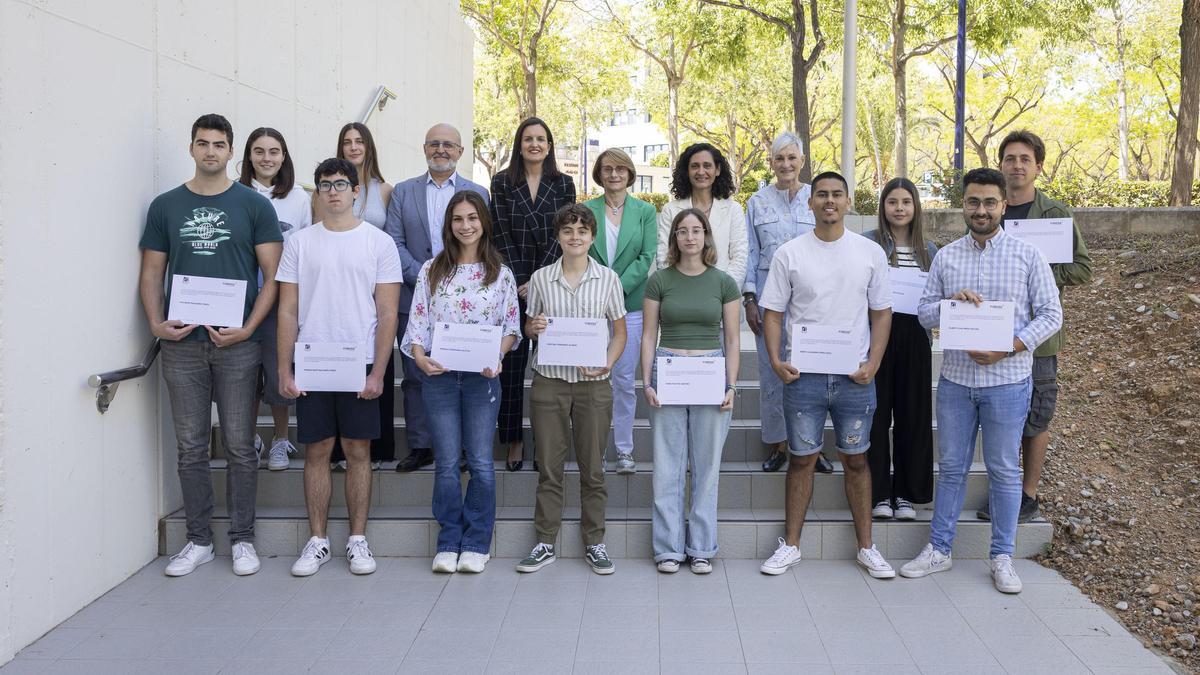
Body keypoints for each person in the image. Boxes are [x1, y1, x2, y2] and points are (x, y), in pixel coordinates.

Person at [901, 168, 1062, 594]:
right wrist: (949, 304)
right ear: (964, 205)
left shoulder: (1028, 255)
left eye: (990, 202)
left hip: (1008, 382)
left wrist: (1009, 346)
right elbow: (922, 312)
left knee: (1005, 470)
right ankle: (939, 548)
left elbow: (1051, 314)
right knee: (952, 467)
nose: (981, 210)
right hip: (956, 381)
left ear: (1003, 206)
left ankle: (1002, 556)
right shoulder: (947, 256)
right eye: (973, 202)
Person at [138, 113, 282, 577]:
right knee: (191, 447)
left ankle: (243, 539)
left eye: (219, 144)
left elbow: (273, 278)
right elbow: (151, 272)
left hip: (237, 344)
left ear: (230, 151)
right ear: (192, 148)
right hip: (182, 344)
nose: (210, 152)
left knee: (240, 445)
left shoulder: (254, 206)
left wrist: (249, 328)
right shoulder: (165, 206)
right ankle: (198, 540)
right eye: (203, 143)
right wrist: (155, 323)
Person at [757, 171, 896, 580]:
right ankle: (791, 545)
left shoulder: (870, 253)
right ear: (810, 202)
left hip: (854, 377)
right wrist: (775, 360)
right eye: (822, 195)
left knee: (856, 459)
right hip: (804, 378)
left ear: (848, 203)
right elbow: (773, 313)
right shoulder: (790, 253)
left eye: (837, 195)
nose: (829, 201)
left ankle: (867, 548)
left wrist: (874, 361)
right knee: (801, 460)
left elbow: (882, 311)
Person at [275, 158, 403, 576]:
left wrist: (379, 372)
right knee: (316, 451)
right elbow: (288, 310)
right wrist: (284, 370)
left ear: (355, 193)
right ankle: (317, 541)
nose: (333, 191)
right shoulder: (300, 243)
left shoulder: (378, 243)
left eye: (341, 183)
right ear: (317, 193)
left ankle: (357, 540)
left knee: (357, 451)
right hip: (312, 361)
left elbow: (387, 314)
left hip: (358, 362)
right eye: (325, 184)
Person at [402, 191, 521, 574]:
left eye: (472, 217)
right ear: (449, 225)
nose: (466, 225)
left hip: (481, 381)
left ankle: (476, 542)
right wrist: (420, 358)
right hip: (439, 379)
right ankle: (449, 540)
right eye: (458, 219)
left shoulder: (499, 273)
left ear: (483, 221)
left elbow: (511, 328)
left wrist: (497, 356)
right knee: (448, 463)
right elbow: (417, 324)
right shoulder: (431, 270)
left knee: (483, 463)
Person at [976, 130, 1092, 523]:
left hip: (1039, 337)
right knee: (1001, 414)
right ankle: (1002, 489)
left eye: (1025, 159)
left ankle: (1027, 495)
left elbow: (1082, 269)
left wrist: (1040, 270)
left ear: (1038, 166)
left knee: (1036, 416)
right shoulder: (989, 210)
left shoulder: (1055, 214)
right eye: (1010, 158)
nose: (1017, 165)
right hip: (994, 332)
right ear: (1001, 165)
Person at [518, 204, 628, 575]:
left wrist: (608, 362)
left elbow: (620, 332)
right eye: (568, 230)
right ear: (558, 236)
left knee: (592, 468)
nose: (575, 236)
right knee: (549, 467)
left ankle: (594, 542)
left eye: (582, 230)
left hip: (593, 384)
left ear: (592, 236)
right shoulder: (541, 279)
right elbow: (531, 328)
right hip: (550, 380)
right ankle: (545, 540)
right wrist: (533, 328)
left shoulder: (609, 279)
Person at [385, 123, 490, 473]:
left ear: (460, 151)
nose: (440, 150)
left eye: (448, 144)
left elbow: (485, 241)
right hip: (416, 292)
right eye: (434, 144)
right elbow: (394, 243)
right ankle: (420, 445)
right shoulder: (403, 191)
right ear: (424, 148)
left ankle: (460, 448)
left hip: (468, 301)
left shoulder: (478, 192)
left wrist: (452, 282)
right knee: (416, 374)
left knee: (461, 371)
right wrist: (429, 278)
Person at [642, 209, 740, 575]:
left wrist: (731, 385)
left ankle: (701, 547)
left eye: (696, 230)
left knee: (705, 466)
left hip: (710, 373)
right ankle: (667, 548)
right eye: (682, 231)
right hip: (667, 370)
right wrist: (647, 381)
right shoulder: (659, 281)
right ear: (674, 239)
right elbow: (649, 335)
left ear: (707, 236)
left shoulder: (723, 282)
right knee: (667, 466)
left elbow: (731, 338)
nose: (689, 237)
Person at [490, 117, 577, 471]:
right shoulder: (501, 182)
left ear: (550, 145)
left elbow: (567, 234)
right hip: (511, 282)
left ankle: (548, 441)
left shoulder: (564, 183)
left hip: (552, 282)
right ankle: (512, 439)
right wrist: (520, 281)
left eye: (541, 139)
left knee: (551, 369)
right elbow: (498, 234)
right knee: (510, 366)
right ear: (519, 144)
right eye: (528, 139)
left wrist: (538, 280)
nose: (535, 144)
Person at [743, 132, 832, 475]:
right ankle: (779, 444)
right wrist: (750, 298)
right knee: (772, 372)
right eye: (779, 158)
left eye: (792, 158)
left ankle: (812, 447)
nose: (786, 165)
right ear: (771, 163)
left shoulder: (818, 197)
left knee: (814, 373)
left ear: (803, 162)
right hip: (769, 300)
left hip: (812, 300)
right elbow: (750, 252)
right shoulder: (757, 202)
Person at [863, 178, 938, 521]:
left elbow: (937, 297)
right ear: (883, 207)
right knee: (877, 416)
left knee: (913, 416)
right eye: (892, 202)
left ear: (915, 207)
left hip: (915, 338)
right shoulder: (868, 245)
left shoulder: (931, 251)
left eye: (906, 202)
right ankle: (878, 494)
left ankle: (906, 493)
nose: (899, 208)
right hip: (877, 334)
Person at [238, 127, 312, 471]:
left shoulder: (298, 197)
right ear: (248, 156)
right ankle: (249, 437)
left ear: (284, 157)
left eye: (274, 151)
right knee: (245, 374)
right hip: (241, 299)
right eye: (259, 151)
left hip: (282, 298)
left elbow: (306, 247)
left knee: (277, 367)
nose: (266, 158)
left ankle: (281, 439)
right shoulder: (234, 194)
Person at [582, 148, 657, 475]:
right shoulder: (585, 209)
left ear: (629, 173)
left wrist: (615, 288)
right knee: (593, 381)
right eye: (607, 169)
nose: (614, 174)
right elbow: (578, 250)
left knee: (625, 380)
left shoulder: (645, 212)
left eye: (620, 169)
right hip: (591, 308)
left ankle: (624, 450)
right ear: (599, 173)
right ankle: (594, 450)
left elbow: (647, 255)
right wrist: (600, 291)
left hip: (630, 307)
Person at [331, 122, 396, 469]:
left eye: (359, 141)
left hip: (375, 285)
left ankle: (379, 448)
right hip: (337, 287)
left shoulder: (385, 190)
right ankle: (339, 449)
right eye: (347, 142)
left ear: (369, 146)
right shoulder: (326, 191)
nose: (353, 147)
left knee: (376, 355)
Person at [656, 142, 747, 288]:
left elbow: (739, 258)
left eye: (707, 165)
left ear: (717, 170)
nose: (701, 171)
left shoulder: (733, 209)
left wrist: (723, 293)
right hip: (680, 292)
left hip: (723, 296)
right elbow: (664, 257)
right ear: (686, 171)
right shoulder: (671, 210)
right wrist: (677, 289)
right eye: (694, 166)